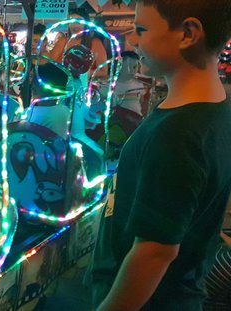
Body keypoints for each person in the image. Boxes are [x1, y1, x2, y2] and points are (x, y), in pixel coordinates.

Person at [89, 0, 231, 310]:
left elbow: (154, 253)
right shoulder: (214, 109)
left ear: (188, 34)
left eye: (141, 29)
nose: (132, 41)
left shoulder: (178, 134)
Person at [48, 8, 108, 79]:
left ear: (86, 24)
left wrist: (81, 74)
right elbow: (49, 64)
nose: (75, 25)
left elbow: (103, 71)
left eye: (79, 22)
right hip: (62, 85)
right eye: (72, 22)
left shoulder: (95, 43)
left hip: (85, 87)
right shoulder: (63, 41)